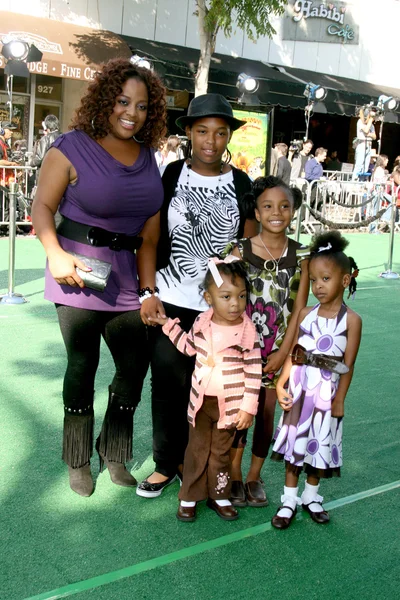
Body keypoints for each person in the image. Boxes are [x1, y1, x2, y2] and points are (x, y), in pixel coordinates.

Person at [31, 58, 167, 497]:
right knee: (82, 365)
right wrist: (55, 254)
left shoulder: (149, 158)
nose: (132, 112)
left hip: (127, 279)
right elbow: (42, 208)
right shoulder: (71, 146)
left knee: (133, 366)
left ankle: (114, 452)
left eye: (143, 106)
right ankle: (77, 460)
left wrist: (148, 291)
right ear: (107, 100)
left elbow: (149, 237)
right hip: (77, 274)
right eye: (123, 101)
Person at [136, 93, 258, 498]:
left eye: (220, 133)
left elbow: (251, 237)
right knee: (168, 381)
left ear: (228, 138)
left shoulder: (240, 181)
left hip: (221, 309)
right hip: (171, 298)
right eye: (202, 130)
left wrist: (241, 254)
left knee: (214, 389)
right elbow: (150, 238)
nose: (211, 140)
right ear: (188, 132)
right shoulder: (171, 174)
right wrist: (148, 292)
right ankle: (165, 464)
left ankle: (202, 468)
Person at [149, 258, 262, 521]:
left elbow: (254, 371)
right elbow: (188, 347)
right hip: (200, 404)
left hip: (230, 408)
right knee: (196, 451)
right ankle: (188, 496)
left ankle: (219, 496)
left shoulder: (247, 330)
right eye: (226, 296)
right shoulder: (202, 323)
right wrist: (168, 325)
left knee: (220, 454)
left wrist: (248, 407)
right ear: (208, 298)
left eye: (241, 296)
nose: (235, 303)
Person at [224, 176, 310, 507]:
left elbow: (300, 310)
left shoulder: (304, 254)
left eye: (285, 206)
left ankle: (253, 476)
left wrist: (285, 354)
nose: (277, 213)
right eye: (268, 206)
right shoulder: (240, 250)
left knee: (266, 413)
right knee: (240, 412)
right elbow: (228, 301)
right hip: (243, 349)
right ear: (257, 213)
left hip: (280, 353)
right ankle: (233, 472)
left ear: (294, 210)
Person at [271, 231, 362, 529]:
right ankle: (288, 500)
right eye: (314, 280)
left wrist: (339, 400)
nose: (318, 286)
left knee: (319, 444)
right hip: (301, 388)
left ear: (345, 280)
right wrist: (283, 381)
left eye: (326, 279)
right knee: (295, 445)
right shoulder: (306, 313)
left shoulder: (351, 321)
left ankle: (311, 496)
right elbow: (294, 352)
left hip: (327, 392)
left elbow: (347, 365)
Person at [353, 106, 377, 180]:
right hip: (362, 144)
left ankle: (361, 182)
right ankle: (354, 181)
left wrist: (369, 134)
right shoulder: (360, 122)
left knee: (366, 166)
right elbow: (366, 130)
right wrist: (370, 120)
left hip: (369, 145)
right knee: (359, 165)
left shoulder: (372, 125)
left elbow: (375, 137)